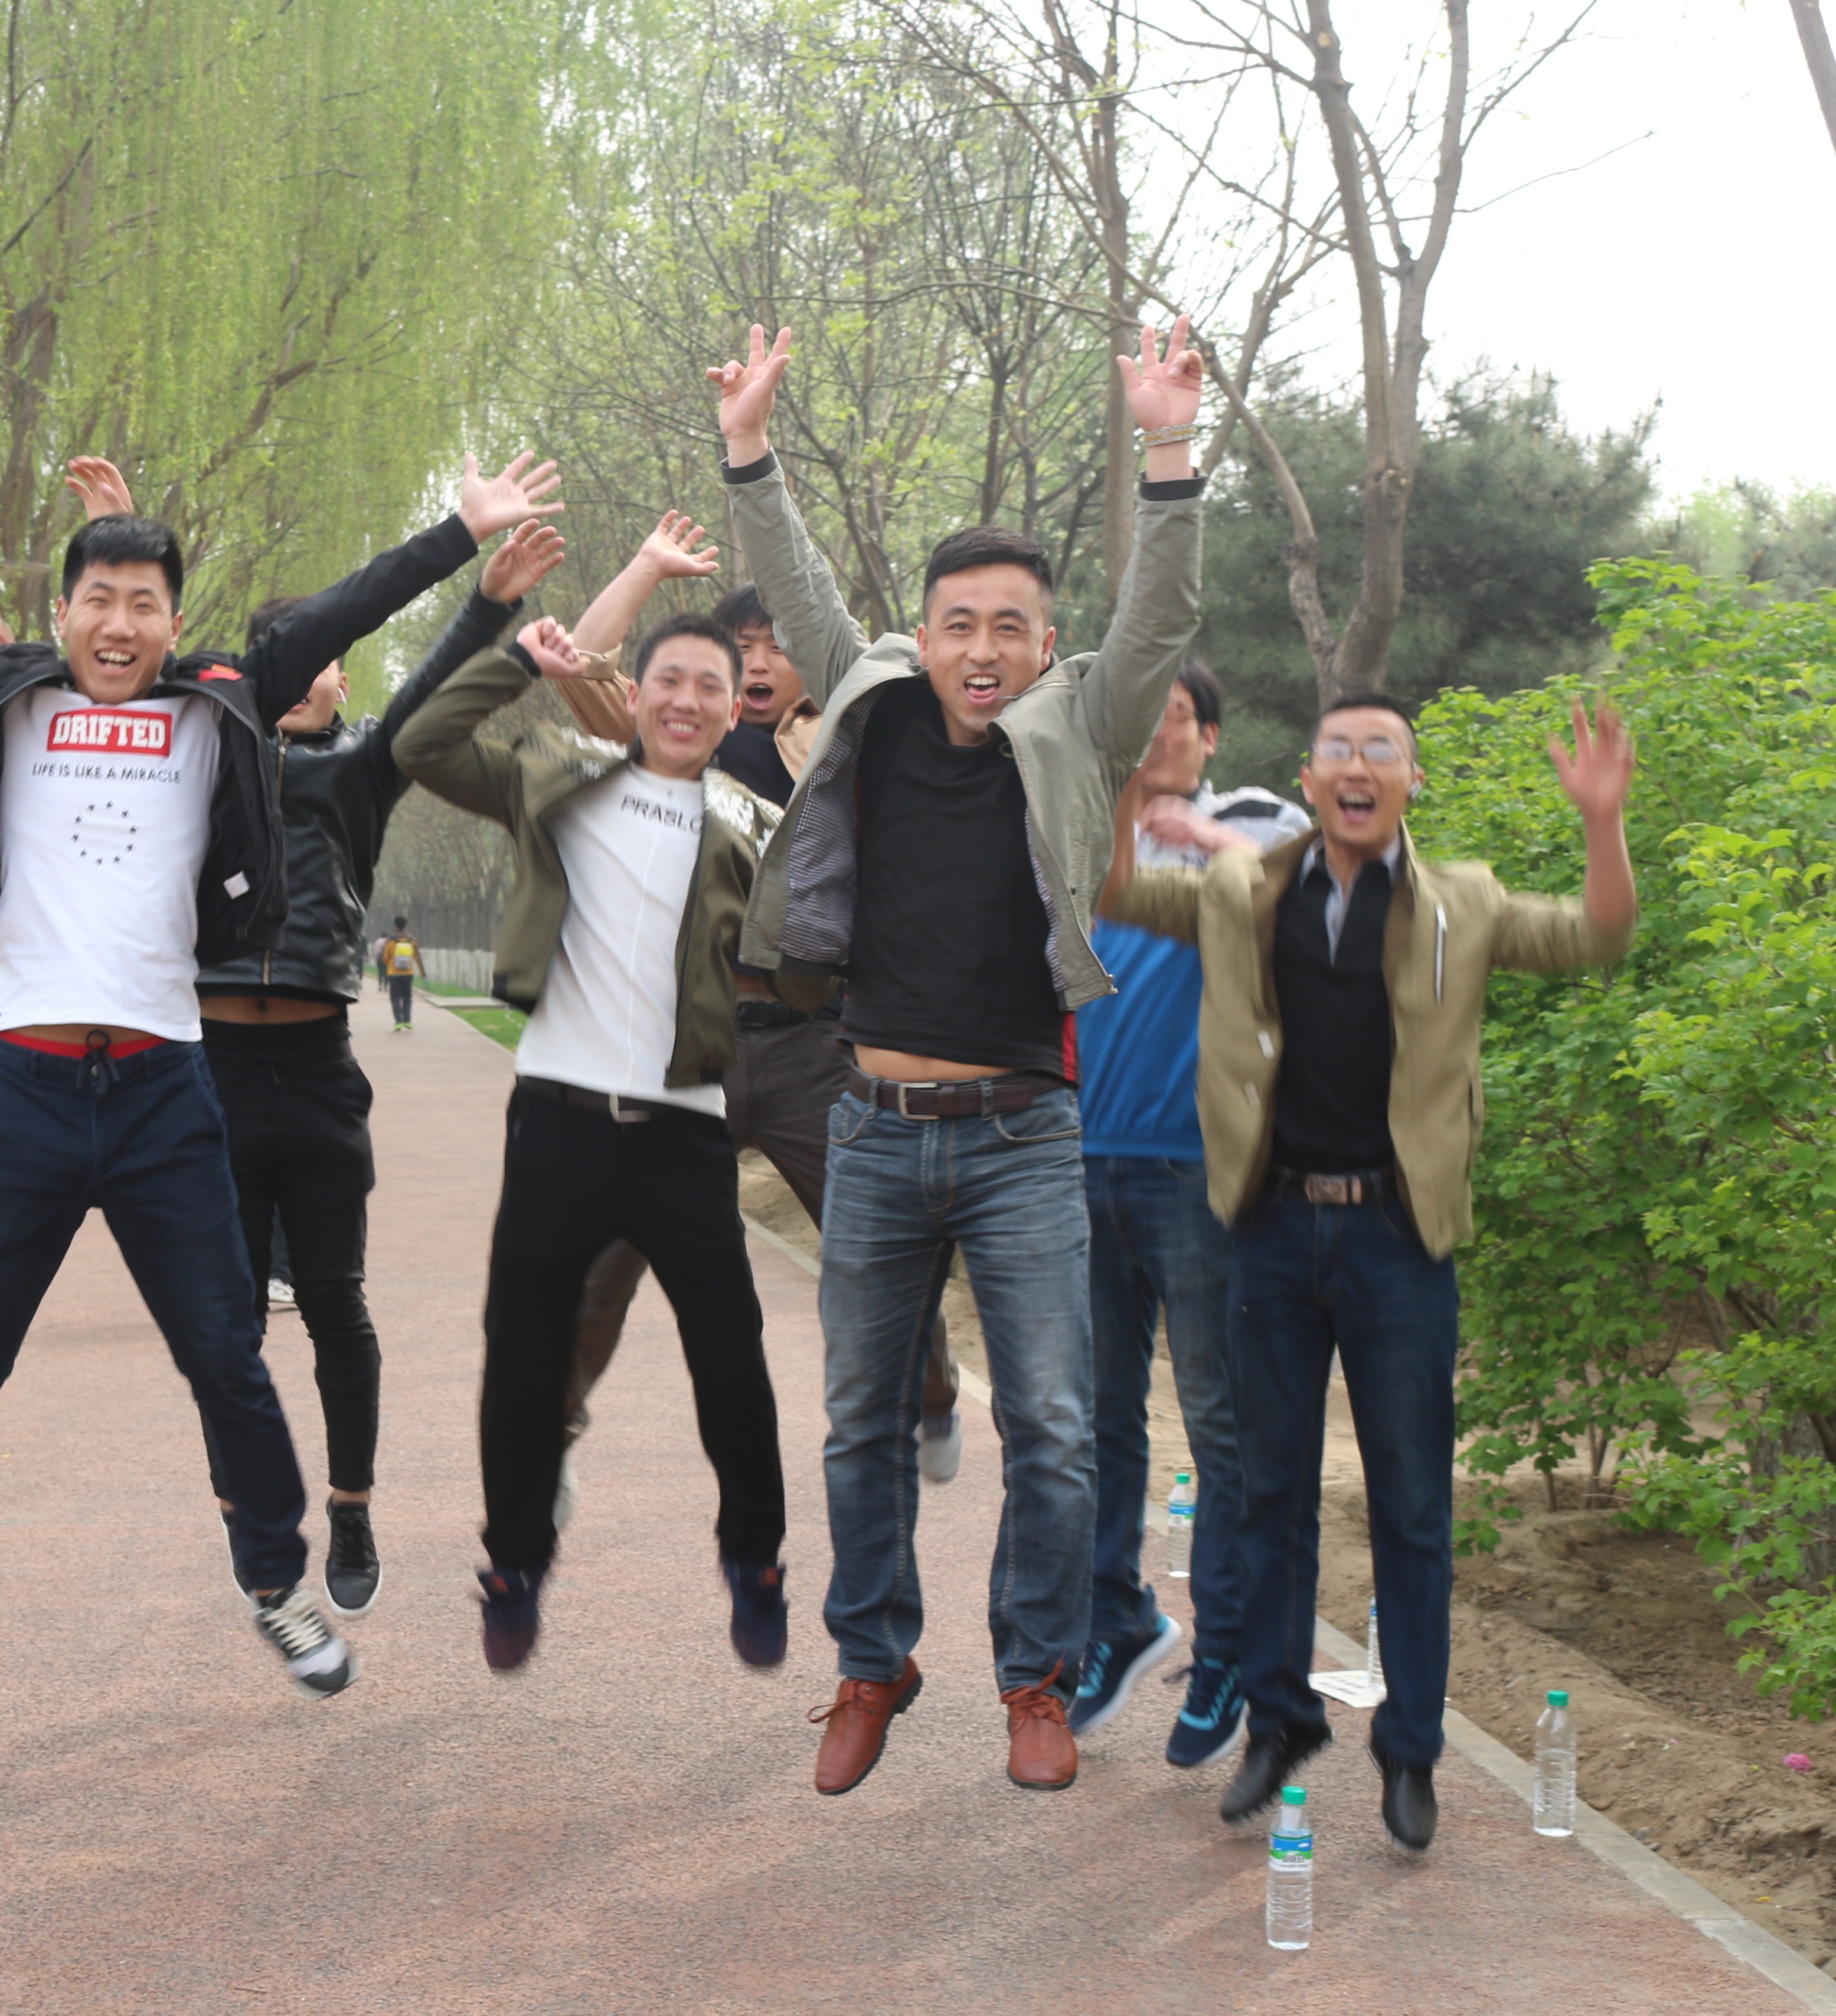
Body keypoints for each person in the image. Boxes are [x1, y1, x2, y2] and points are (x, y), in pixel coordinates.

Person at [0, 411, 561, 1701]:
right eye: (97, 598)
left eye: (144, 604)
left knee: (225, 1358)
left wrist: (460, 533)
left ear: (172, 624)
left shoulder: (220, 705)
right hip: (26, 1090)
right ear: (65, 611)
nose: (117, 624)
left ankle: (278, 1585)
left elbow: (347, 610)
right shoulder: (8, 692)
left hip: (162, 1092)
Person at [712, 318, 1210, 1796]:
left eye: (1010, 626)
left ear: (1044, 646)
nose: (982, 648)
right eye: (959, 623)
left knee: (1051, 1420)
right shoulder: (865, 698)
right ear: (922, 636)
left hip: (1021, 1136)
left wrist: (1168, 448)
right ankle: (874, 1660)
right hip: (872, 1123)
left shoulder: (1085, 722)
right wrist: (750, 448)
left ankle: (1035, 1673)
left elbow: (1160, 617)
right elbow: (798, 584)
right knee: (860, 1417)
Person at [0, 460, 567, 1618]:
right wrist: (114, 538)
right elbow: (123, 670)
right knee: (229, 1321)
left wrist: (489, 603)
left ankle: (350, 1505)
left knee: (337, 1302)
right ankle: (247, 1511)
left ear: (339, 676)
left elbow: (433, 691)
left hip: (316, 1072)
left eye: (324, 657)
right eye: (285, 658)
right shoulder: (204, 753)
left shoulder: (365, 772)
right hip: (206, 1076)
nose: (308, 673)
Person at [1101, 691, 1636, 1851]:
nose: (1357, 766)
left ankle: (1411, 1750)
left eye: (1380, 750)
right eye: (1337, 749)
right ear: (1307, 780)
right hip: (1272, 1230)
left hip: (1399, 1240)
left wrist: (1602, 821)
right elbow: (1115, 891)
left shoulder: (1464, 902)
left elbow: (1598, 934)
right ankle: (1280, 1722)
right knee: (1268, 1495)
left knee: (1411, 1505)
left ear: (1409, 781)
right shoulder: (1242, 890)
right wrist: (1123, 775)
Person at [395, 604, 790, 1675]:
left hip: (684, 1133)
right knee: (522, 1358)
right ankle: (515, 1562)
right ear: (636, 691)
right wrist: (515, 659)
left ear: (732, 709)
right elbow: (421, 745)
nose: (687, 701)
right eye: (670, 679)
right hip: (557, 1121)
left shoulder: (758, 822)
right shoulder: (556, 774)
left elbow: (821, 941)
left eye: (711, 686)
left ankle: (754, 1559)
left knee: (733, 1360)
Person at [548, 527, 966, 1507]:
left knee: (878, 1248)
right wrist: (646, 567)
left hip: (811, 1047)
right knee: (606, 1257)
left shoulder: (855, 742)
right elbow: (579, 663)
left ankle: (934, 1392)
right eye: (745, 647)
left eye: (781, 645)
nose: (763, 662)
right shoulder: (677, 738)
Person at [1066, 656, 1310, 1764]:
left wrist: (1198, 834)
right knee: (1095, 1418)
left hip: (1200, 1174)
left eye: (1172, 716)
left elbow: (1310, 901)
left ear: (1210, 734)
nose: (1153, 732)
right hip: (1082, 1163)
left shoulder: (1254, 819)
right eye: (1136, 714)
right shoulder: (1084, 832)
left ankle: (1227, 1653)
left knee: (1220, 1425)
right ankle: (1115, 1619)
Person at [378, 920, 424, 1028]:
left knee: (395, 998)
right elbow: (417, 956)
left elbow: (385, 958)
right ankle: (407, 1021)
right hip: (408, 973)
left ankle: (398, 1021)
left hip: (394, 974)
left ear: (395, 925)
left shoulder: (391, 941)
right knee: (407, 997)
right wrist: (422, 972)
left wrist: (391, 964)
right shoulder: (411, 940)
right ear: (406, 925)